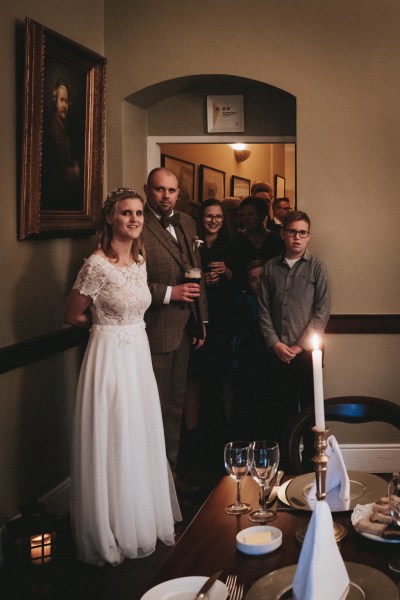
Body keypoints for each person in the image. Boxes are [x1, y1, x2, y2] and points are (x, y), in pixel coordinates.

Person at [64, 188, 181, 566]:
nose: (134, 219)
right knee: (113, 432)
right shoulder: (96, 264)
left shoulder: (140, 260)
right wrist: (105, 327)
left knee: (139, 430)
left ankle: (141, 517)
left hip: (138, 355)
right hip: (109, 355)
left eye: (138, 214)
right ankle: (111, 523)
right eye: (125, 213)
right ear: (111, 218)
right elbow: (72, 314)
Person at [142, 168, 208, 489]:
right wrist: (172, 294)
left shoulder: (186, 221)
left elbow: (196, 271)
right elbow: (132, 284)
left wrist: (201, 320)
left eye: (171, 190)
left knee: (176, 405)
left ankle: (171, 476)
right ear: (147, 190)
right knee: (155, 407)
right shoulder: (138, 224)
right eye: (159, 189)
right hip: (155, 329)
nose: (166, 196)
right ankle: (155, 481)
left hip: (186, 326)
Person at [258, 210, 331, 466]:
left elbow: (322, 311)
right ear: (283, 234)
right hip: (277, 353)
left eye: (302, 233)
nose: (297, 238)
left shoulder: (317, 267)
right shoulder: (269, 267)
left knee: (311, 410)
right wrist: (275, 343)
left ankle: (312, 460)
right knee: (281, 410)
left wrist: (300, 346)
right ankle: (288, 464)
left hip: (308, 354)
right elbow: (263, 310)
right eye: (292, 232)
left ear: (308, 236)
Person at [183, 199, 234, 473]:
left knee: (222, 377)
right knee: (194, 377)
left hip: (223, 319)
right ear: (200, 218)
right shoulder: (191, 244)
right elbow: (182, 275)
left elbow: (244, 280)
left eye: (218, 216)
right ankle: (193, 438)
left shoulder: (231, 244)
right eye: (208, 216)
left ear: (223, 219)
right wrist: (201, 276)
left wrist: (224, 272)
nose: (213, 220)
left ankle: (222, 433)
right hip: (195, 319)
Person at [231, 259, 273, 440]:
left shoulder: (276, 300)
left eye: (261, 278)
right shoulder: (243, 301)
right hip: (249, 359)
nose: (258, 283)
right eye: (253, 279)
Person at [42, 79, 83, 210]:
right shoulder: (51, 128)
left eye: (66, 101)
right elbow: (50, 169)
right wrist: (72, 172)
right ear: (55, 101)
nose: (64, 106)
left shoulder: (66, 127)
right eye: (61, 100)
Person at [231, 196, 284, 290]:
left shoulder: (276, 240)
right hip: (243, 295)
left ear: (262, 216)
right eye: (243, 215)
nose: (246, 218)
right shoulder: (235, 240)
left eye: (251, 214)